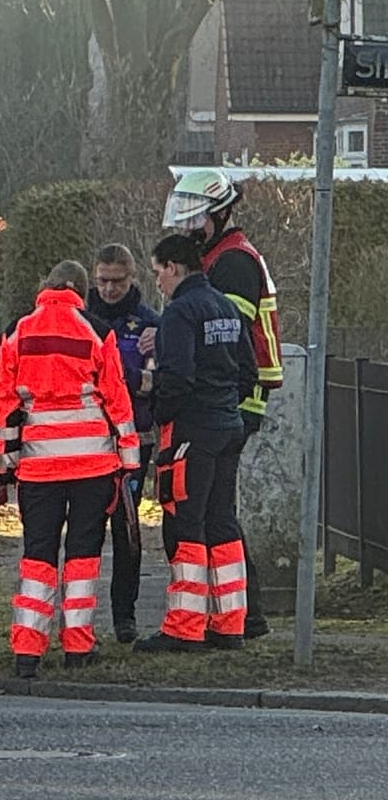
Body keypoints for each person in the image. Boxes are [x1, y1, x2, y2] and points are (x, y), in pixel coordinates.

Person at [0, 261, 141, 678]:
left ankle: (27, 649)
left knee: (37, 556)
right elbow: (117, 400)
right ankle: (78, 645)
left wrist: (8, 463)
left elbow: (7, 406)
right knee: (83, 555)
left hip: (39, 468)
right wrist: (129, 463)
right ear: (79, 289)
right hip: (92, 466)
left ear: (45, 286)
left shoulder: (16, 333)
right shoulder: (96, 330)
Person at [163, 168, 282, 639]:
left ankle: (228, 614)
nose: (187, 230)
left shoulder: (231, 264)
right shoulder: (221, 256)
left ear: (218, 215)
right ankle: (237, 615)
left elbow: (221, 342)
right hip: (232, 402)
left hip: (233, 402)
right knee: (217, 511)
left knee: (205, 513)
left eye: (195, 220)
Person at [137, 235, 258, 653]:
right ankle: (230, 623)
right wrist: (223, 401)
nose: (158, 283)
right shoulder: (225, 306)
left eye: (158, 273)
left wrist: (158, 410)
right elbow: (248, 372)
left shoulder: (179, 313)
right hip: (228, 425)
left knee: (186, 523)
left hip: (192, 430)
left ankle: (184, 627)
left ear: (173, 267)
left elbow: (178, 378)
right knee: (222, 522)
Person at [86, 243, 161, 644]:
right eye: (103, 281)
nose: (110, 289)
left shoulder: (149, 323)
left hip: (135, 440)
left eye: (117, 281)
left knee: (127, 532)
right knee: (87, 530)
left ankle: (124, 617)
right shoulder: (82, 320)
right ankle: (80, 620)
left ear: (132, 278)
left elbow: (158, 382)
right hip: (88, 442)